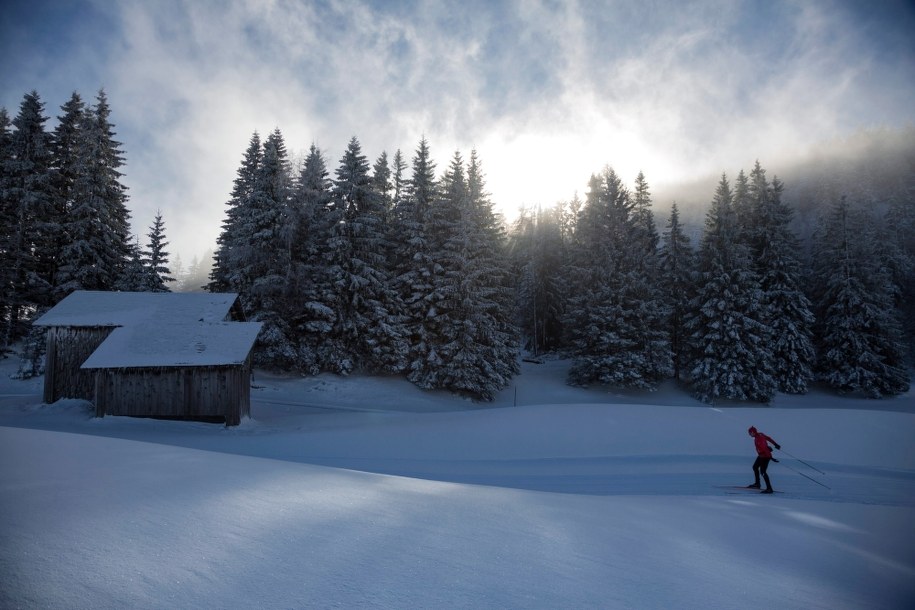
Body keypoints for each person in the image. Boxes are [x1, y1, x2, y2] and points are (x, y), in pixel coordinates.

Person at [747, 426, 780, 493]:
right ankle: (757, 484)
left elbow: (765, 449)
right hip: (761, 455)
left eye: (750, 433)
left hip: (765, 456)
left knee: (763, 472)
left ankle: (769, 489)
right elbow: (768, 438)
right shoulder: (760, 434)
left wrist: (770, 457)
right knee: (755, 467)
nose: (749, 434)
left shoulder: (758, 438)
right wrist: (775, 444)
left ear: (753, 432)